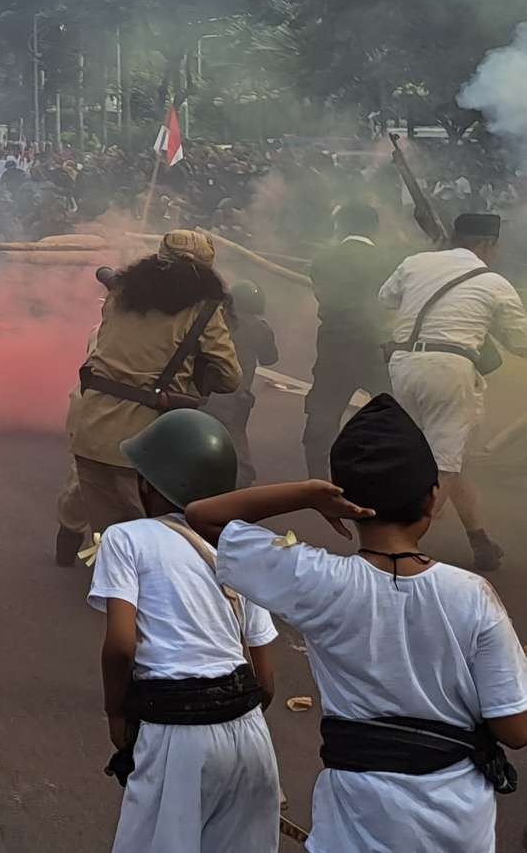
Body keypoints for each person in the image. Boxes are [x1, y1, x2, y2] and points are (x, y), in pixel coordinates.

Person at [196, 396, 527, 853]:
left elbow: (203, 516)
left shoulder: (318, 581)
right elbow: (515, 729)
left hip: (355, 821)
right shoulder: (472, 596)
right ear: (433, 497)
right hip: (456, 825)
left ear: (345, 501)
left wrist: (307, 495)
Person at [91, 409, 280, 852]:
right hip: (249, 732)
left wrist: (116, 715)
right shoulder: (238, 550)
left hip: (177, 733)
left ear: (147, 486)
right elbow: (266, 679)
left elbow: (120, 646)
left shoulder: (127, 538)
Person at [58, 230, 240, 563]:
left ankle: (114, 589)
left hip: (91, 428)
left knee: (107, 530)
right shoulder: (204, 311)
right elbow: (230, 377)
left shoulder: (120, 296)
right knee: (151, 533)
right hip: (148, 442)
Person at [380, 212, 527, 572]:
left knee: (450, 458)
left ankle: (480, 540)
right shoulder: (494, 282)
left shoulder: (416, 261)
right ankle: (396, 549)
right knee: (445, 465)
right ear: (488, 244)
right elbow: (520, 341)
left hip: (403, 365)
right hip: (449, 371)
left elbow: (386, 298)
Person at [302, 203, 398, 478]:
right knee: (391, 411)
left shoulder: (323, 259)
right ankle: (387, 473)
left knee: (323, 413)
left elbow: (321, 295)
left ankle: (317, 480)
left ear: (340, 226)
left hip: (334, 344)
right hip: (376, 346)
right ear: (374, 228)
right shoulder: (388, 260)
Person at [204, 281, 278, 489]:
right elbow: (270, 358)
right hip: (234, 398)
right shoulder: (260, 329)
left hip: (202, 393)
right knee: (239, 456)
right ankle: (238, 496)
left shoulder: (215, 320)